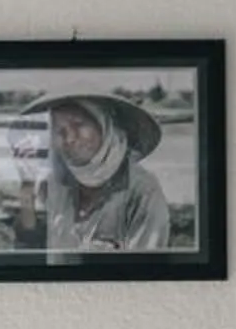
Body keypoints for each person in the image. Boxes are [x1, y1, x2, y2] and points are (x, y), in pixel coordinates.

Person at [12, 91, 171, 253]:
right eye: (59, 130)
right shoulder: (57, 184)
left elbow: (146, 268)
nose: (69, 138)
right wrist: (27, 186)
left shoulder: (143, 191)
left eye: (78, 124)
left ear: (104, 125)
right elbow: (32, 251)